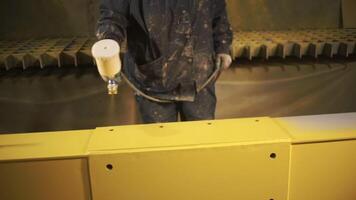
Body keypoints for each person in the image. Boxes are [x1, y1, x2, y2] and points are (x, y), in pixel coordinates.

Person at [96, 0, 233, 123]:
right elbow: (113, 14)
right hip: (153, 79)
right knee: (161, 145)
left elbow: (218, 10)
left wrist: (223, 44)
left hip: (200, 77)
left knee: (199, 141)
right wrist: (108, 40)